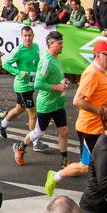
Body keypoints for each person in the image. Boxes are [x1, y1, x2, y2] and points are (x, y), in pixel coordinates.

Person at [44, 40, 107, 195]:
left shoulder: (102, 72)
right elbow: (77, 100)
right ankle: (58, 178)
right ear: (97, 56)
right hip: (90, 129)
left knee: (92, 165)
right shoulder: (92, 74)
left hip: (100, 128)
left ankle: (58, 177)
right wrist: (100, 112)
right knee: (92, 165)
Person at [13, 30, 69, 167]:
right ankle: (20, 147)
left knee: (64, 131)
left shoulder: (56, 59)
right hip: (46, 104)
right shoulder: (46, 62)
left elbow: (55, 78)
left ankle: (64, 160)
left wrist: (63, 81)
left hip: (58, 103)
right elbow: (38, 83)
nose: (62, 46)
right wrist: (57, 87)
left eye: (62, 43)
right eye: (59, 43)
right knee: (38, 132)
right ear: (50, 44)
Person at [0, 25, 40, 143]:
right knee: (33, 114)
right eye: (25, 36)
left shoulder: (36, 47)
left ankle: (3, 124)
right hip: (22, 87)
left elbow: (37, 63)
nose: (27, 38)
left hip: (31, 85)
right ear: (22, 37)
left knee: (19, 108)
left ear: (33, 36)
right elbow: (5, 64)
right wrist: (19, 73)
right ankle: (35, 141)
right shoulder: (18, 50)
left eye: (29, 35)